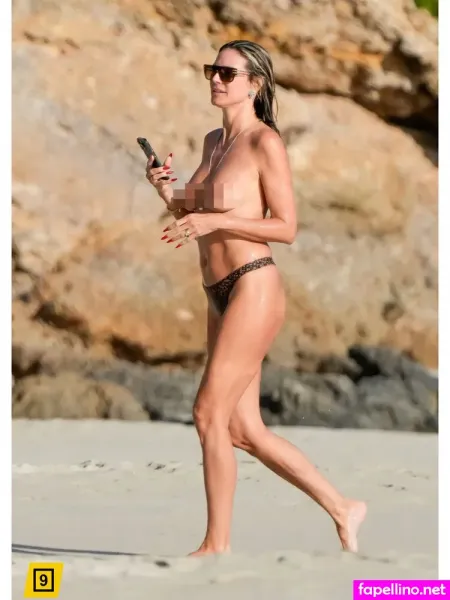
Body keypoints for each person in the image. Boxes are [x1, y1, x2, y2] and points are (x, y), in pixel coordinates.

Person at [146, 39, 367, 557]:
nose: (216, 79)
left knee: (207, 414)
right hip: (217, 292)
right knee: (242, 429)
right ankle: (343, 507)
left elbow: (285, 227)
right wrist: (165, 190)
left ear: (255, 84)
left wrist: (215, 222)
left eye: (227, 73)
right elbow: (192, 210)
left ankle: (216, 545)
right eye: (212, 70)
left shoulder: (265, 142)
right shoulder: (213, 142)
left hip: (253, 283)